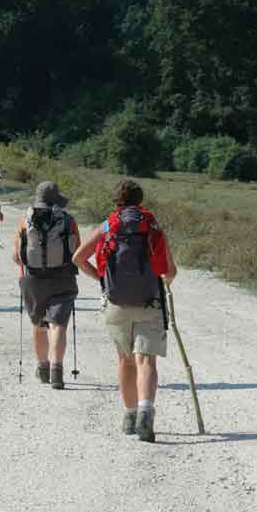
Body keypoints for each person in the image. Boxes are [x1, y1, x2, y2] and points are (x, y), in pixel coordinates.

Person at [72, 180, 177, 442]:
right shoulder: (152, 227)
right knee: (146, 361)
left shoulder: (109, 226)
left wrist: (101, 279)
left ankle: (129, 416)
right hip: (150, 303)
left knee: (125, 361)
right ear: (140, 200)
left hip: (116, 303)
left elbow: (78, 258)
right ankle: (145, 413)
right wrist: (162, 283)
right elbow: (170, 271)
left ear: (116, 201)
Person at [13, 181, 81, 390]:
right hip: (63, 278)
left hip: (33, 279)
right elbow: (77, 251)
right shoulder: (68, 221)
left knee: (39, 325)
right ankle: (57, 371)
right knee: (57, 325)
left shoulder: (24, 222)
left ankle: (43, 368)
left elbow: (17, 257)